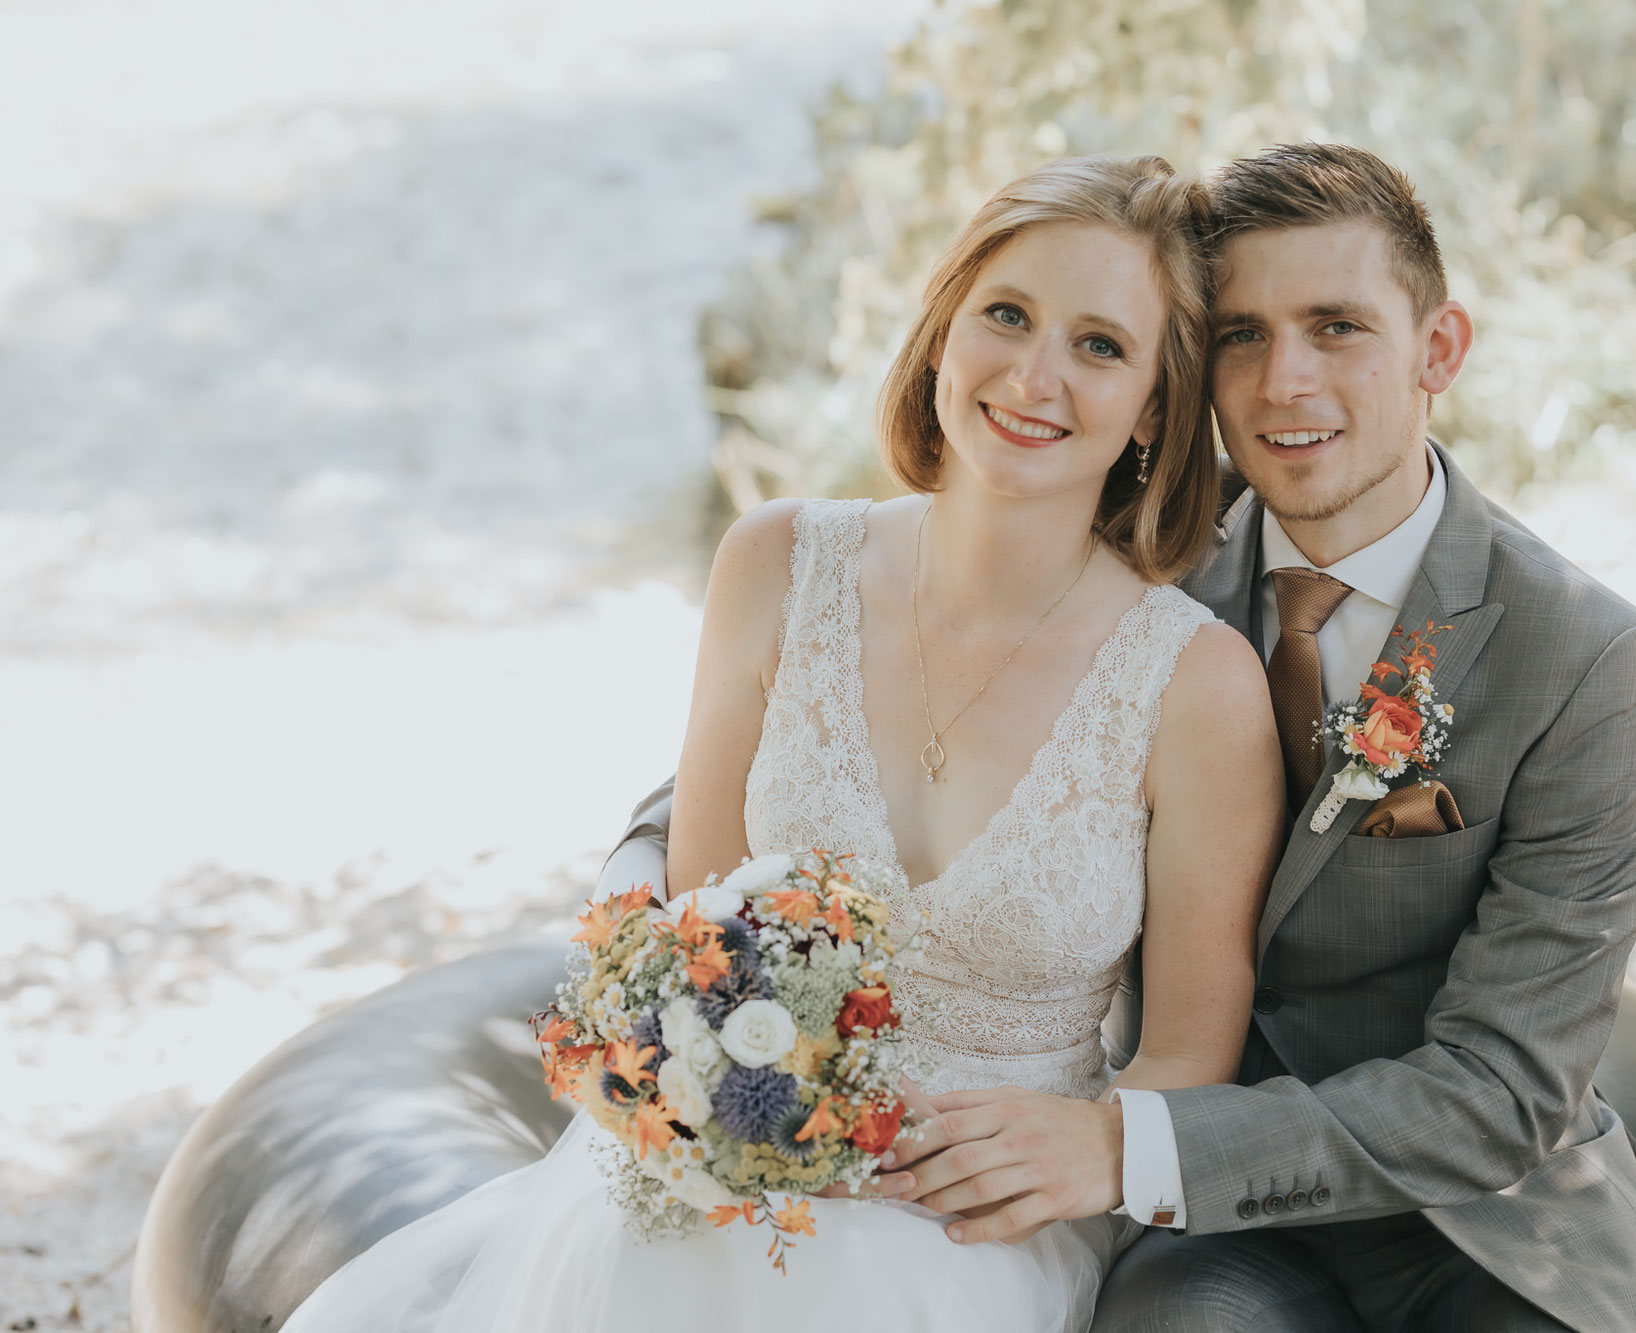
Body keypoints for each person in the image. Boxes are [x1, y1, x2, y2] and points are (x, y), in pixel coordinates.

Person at [278, 155, 1285, 1333]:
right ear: (942, 332)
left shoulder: (1195, 684)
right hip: (744, 1167)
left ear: (1155, 409)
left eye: (1098, 345)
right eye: (1004, 315)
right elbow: (699, 934)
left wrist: (1093, 1148)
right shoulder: (774, 565)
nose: (1033, 375)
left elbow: (1186, 1058)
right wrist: (713, 1117)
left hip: (982, 1213)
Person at [745, 142, 1636, 1332]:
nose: (1284, 382)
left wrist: (1121, 1143)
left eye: (1335, 326)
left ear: (1436, 350)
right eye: (1242, 334)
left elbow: (1500, 1092)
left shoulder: (1590, 660)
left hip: (1476, 1217)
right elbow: (816, 728)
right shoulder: (1140, 557)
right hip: (1202, 1222)